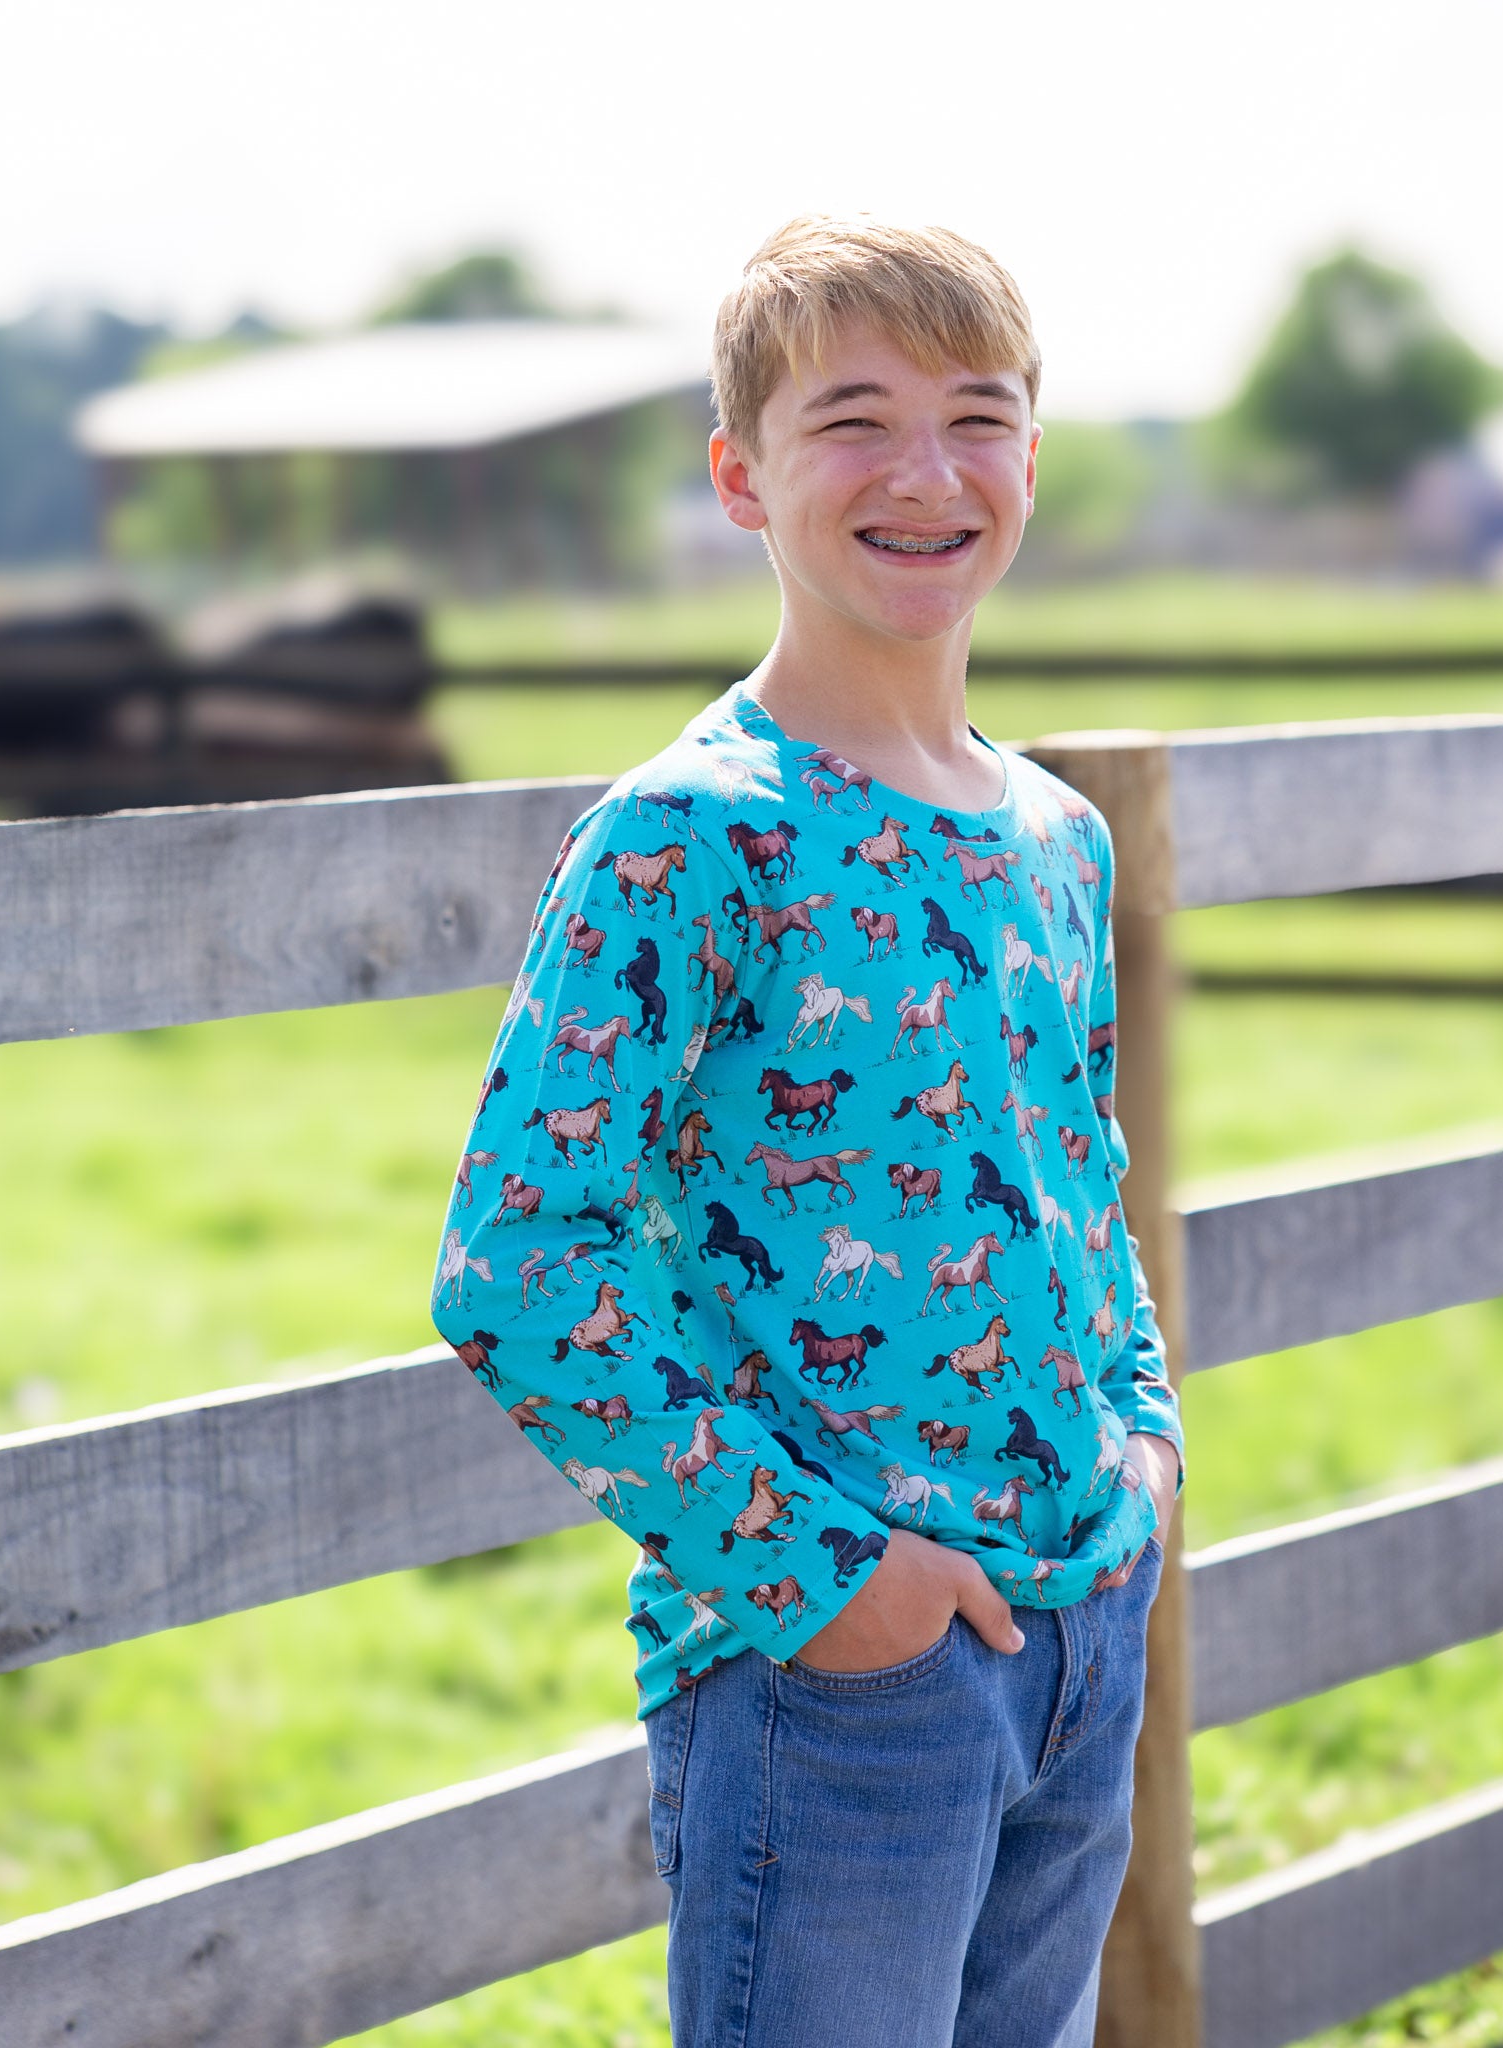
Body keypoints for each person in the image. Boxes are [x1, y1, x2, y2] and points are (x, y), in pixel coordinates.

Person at [426, 214, 1186, 2048]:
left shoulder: (1054, 835)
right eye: (853, 421)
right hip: (842, 1678)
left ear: (1030, 458)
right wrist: (825, 1583)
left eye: (976, 417)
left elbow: (1080, 1186)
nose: (926, 473)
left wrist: (1145, 1448)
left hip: (1082, 1623)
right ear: (740, 478)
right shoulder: (693, 834)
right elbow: (519, 1263)